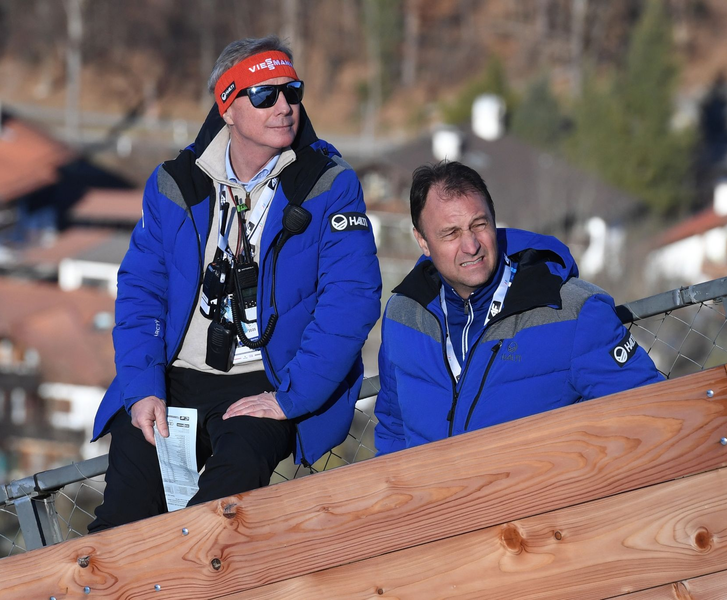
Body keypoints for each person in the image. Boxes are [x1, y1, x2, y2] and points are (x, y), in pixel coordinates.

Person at [89, 36, 381, 531]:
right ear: (226, 107)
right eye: (265, 95)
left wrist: (291, 396)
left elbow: (350, 300)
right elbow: (141, 292)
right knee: (121, 518)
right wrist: (142, 389)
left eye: (293, 92)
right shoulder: (175, 184)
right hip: (175, 376)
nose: (284, 107)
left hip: (266, 378)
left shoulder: (329, 183)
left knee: (216, 518)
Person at [374, 161, 662, 454]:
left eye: (479, 225)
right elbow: (393, 431)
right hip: (431, 485)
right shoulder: (402, 315)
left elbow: (651, 417)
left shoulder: (574, 312)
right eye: (451, 233)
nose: (471, 246)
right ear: (423, 241)